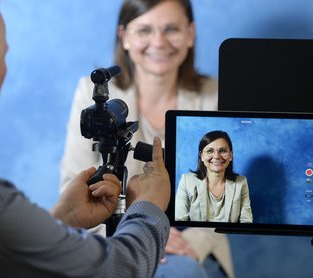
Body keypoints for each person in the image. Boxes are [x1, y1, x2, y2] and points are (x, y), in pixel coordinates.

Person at [0, 0, 171, 277]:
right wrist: (148, 205)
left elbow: (5, 254)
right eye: (3, 56)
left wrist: (63, 219)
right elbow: (120, 270)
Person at [59, 0, 234, 277]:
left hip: (189, 241)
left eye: (171, 29)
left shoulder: (215, 95)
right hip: (111, 234)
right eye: (143, 30)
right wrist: (133, 241)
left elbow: (225, 189)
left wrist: (185, 241)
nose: (158, 42)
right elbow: (73, 183)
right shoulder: (91, 94)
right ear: (124, 37)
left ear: (190, 34)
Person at [176, 130, 253, 223]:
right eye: (210, 151)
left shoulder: (241, 182)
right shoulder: (186, 181)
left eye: (223, 151)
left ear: (231, 155)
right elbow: (179, 222)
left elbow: (246, 222)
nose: (216, 156)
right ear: (201, 156)